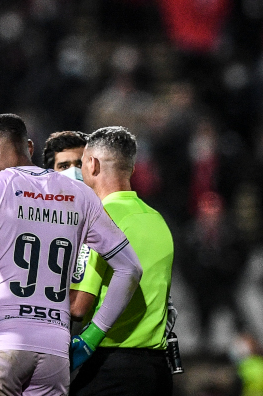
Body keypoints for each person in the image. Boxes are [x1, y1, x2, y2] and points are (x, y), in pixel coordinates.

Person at [0, 114, 143, 396]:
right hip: (54, 351)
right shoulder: (81, 194)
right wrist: (91, 337)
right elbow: (130, 269)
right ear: (28, 148)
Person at [69, 127, 176, 396]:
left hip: (112, 368)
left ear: (92, 164)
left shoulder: (99, 220)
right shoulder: (157, 219)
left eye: (81, 162)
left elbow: (79, 306)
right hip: (157, 370)